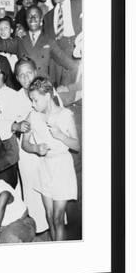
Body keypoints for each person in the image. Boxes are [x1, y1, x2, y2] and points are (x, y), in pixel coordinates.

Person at [22, 77, 79, 241]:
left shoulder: (65, 114)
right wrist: (35, 148)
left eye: (35, 100)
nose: (33, 104)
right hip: (44, 167)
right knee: (49, 216)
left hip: (62, 167)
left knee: (58, 218)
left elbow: (77, 146)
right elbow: (25, 144)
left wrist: (61, 135)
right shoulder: (32, 115)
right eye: (31, 100)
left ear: (47, 96)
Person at [0, 4, 77, 87]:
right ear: (26, 20)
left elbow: (69, 64)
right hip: (25, 87)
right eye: (29, 16)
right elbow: (0, 45)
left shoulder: (49, 41)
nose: (32, 19)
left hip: (42, 88)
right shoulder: (20, 39)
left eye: (35, 16)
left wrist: (64, 85)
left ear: (41, 19)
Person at [12, 57, 49, 234]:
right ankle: (38, 229)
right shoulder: (15, 97)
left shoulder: (47, 91)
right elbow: (6, 123)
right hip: (27, 151)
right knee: (32, 189)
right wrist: (17, 126)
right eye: (21, 75)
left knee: (49, 187)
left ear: (35, 72)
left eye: (29, 73)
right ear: (17, 78)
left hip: (47, 147)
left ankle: (53, 225)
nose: (26, 78)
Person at [43, 0, 82, 86]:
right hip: (57, 59)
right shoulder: (48, 17)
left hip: (77, 54)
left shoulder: (80, 6)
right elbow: (50, 43)